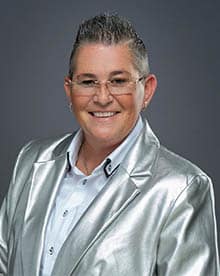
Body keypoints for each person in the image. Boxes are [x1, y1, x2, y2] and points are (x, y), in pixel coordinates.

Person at [0, 13, 219, 276]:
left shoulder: (181, 189)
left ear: (147, 90)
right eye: (88, 81)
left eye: (118, 81)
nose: (102, 97)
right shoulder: (32, 160)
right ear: (69, 90)